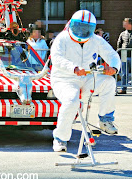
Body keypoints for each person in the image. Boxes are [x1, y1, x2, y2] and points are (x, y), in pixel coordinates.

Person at [51, 10, 121, 152]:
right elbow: (57, 58)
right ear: (71, 24)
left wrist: (114, 68)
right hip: (65, 79)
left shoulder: (96, 40)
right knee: (71, 101)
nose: (82, 31)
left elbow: (112, 54)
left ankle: (105, 119)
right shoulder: (62, 38)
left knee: (109, 82)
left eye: (86, 28)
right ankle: (60, 139)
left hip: (88, 78)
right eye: (79, 27)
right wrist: (73, 68)